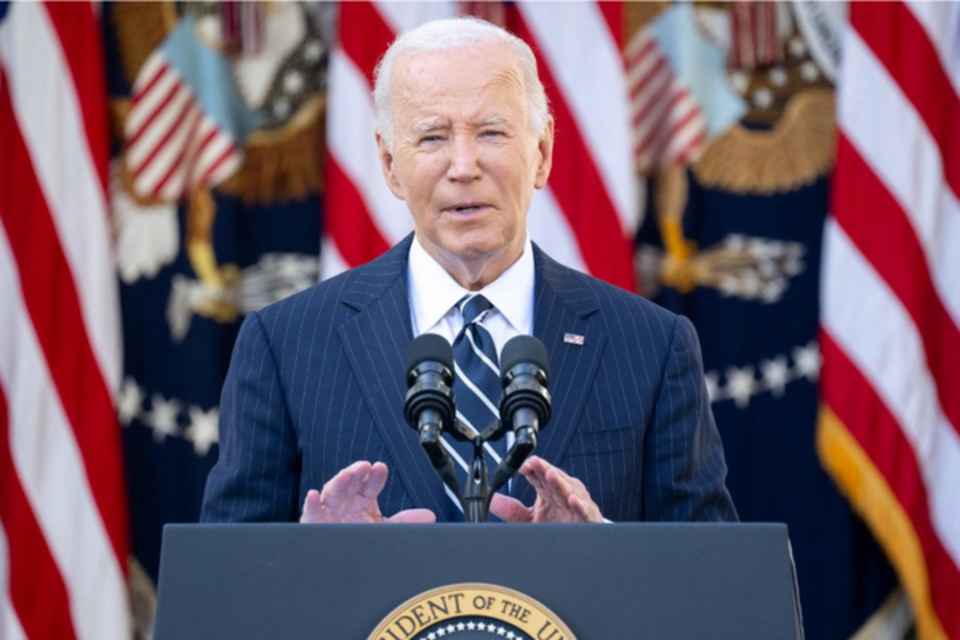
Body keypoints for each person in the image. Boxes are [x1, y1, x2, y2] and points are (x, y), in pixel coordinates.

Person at [201, 16, 737, 526]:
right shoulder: (285, 345)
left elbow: (711, 585)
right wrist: (312, 560)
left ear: (543, 153)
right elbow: (225, 591)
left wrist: (602, 548)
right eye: (432, 137)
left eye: (491, 133)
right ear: (389, 164)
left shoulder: (651, 345)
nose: (463, 166)